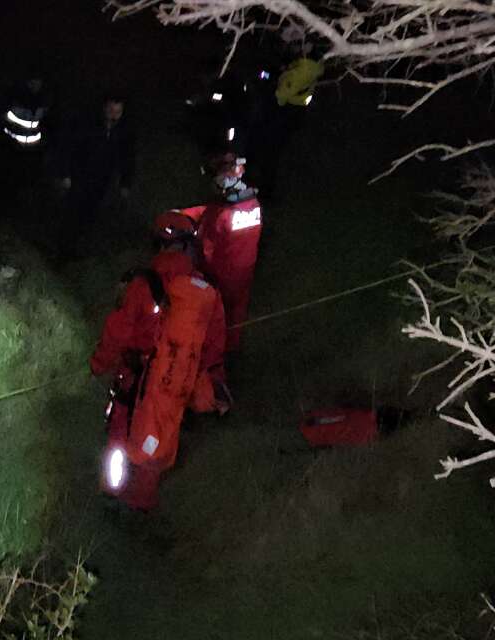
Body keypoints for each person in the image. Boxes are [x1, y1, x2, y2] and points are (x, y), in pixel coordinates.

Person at [92, 213, 227, 512]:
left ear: (159, 243)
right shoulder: (206, 290)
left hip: (134, 378)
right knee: (160, 433)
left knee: (120, 435)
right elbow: (214, 344)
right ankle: (141, 503)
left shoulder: (143, 282)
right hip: (174, 381)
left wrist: (98, 365)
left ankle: (112, 494)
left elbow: (117, 332)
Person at [187, 153, 263, 351]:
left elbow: (206, 246)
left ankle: (213, 353)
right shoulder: (254, 206)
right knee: (237, 312)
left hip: (220, 275)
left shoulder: (220, 214)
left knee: (215, 314)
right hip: (245, 269)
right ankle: (233, 349)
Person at [58, 95, 136, 254]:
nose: (113, 115)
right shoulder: (88, 126)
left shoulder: (123, 132)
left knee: (90, 213)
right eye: (111, 110)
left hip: (102, 181)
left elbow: (127, 158)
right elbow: (69, 149)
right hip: (80, 177)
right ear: (104, 108)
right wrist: (65, 174)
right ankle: (64, 247)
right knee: (72, 212)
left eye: (118, 112)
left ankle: (79, 245)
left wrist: (125, 183)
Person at [258, 46, 323, 200]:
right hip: (297, 110)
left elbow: (281, 96)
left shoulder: (299, 73)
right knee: (282, 148)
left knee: (272, 151)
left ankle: (267, 191)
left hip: (286, 111)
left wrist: (274, 88)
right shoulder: (313, 68)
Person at [0, 69, 55, 210]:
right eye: (32, 81)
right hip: (11, 148)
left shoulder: (44, 101)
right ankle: (2, 210)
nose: (35, 85)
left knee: (27, 184)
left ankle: (19, 211)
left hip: (33, 151)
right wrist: (2, 142)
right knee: (7, 182)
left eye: (38, 82)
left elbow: (48, 125)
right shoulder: (13, 98)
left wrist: (44, 145)